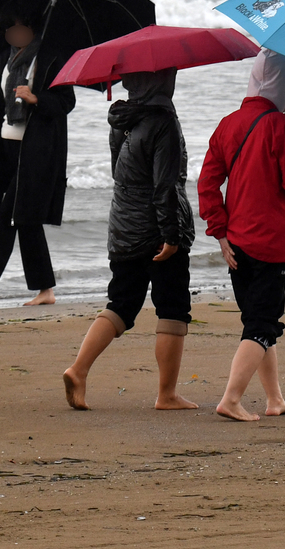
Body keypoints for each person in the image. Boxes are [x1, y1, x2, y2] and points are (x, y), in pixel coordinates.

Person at [62, 69, 198, 411]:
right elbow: (164, 185)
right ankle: (166, 394)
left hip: (123, 224)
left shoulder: (122, 117)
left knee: (121, 303)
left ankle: (78, 369)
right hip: (156, 229)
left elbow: (119, 173)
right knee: (173, 307)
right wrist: (171, 234)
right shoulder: (163, 121)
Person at [198, 50, 285, 422]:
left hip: (237, 244)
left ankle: (274, 399)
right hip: (271, 242)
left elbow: (207, 184)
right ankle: (231, 399)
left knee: (256, 322)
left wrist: (219, 232)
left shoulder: (228, 124)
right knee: (263, 324)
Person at [0, 0, 76, 307]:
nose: (16, 36)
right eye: (10, 31)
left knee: (7, 215)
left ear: (33, 29)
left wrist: (36, 98)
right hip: (2, 148)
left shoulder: (51, 60)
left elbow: (66, 103)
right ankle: (46, 290)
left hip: (37, 152)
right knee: (24, 218)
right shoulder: (1, 61)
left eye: (21, 29)